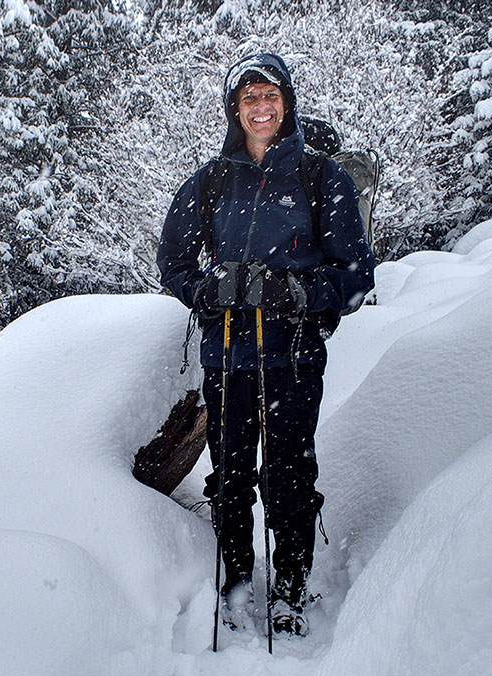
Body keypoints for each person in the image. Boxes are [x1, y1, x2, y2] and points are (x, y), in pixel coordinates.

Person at [157, 52, 375, 637]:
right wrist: (209, 288)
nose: (260, 108)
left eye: (270, 97)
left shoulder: (319, 177)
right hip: (226, 354)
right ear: (234, 108)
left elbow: (355, 274)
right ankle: (231, 585)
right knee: (228, 476)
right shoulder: (209, 182)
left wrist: (292, 291)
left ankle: (290, 588)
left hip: (295, 355)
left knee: (290, 476)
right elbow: (173, 262)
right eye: (248, 98)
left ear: (287, 103)